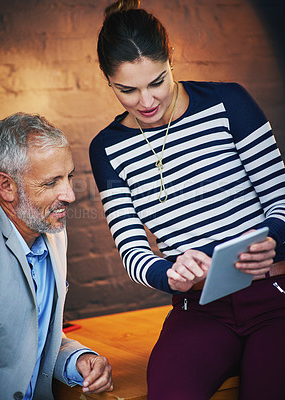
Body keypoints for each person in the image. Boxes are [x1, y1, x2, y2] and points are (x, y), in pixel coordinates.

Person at [89, 1, 285, 399]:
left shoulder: (229, 103)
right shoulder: (106, 148)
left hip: (273, 296)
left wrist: (273, 240)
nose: (146, 101)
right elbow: (132, 249)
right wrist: (169, 275)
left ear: (171, 60)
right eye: (127, 89)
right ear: (107, 81)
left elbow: (281, 202)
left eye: (157, 81)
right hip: (199, 309)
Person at [0, 112, 113, 400]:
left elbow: (30, 339)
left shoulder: (52, 233)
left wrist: (78, 360)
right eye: (51, 183)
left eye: (69, 177)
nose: (70, 194)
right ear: (6, 186)